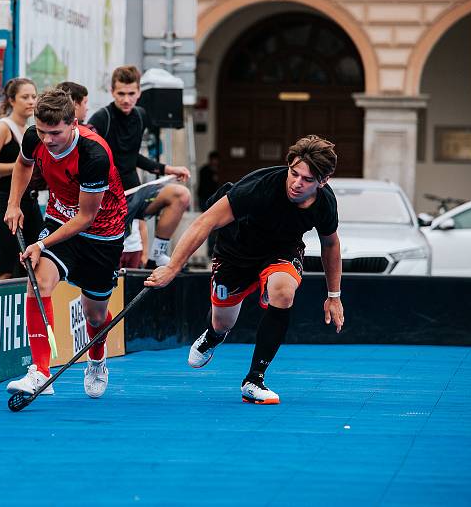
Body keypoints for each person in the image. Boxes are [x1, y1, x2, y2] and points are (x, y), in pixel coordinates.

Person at [145, 135, 345, 405]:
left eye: (307, 180)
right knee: (222, 321)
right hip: (235, 253)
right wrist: (172, 267)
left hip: (281, 252)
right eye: (294, 173)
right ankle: (214, 335)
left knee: (283, 292)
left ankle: (254, 380)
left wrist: (334, 295)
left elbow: (330, 244)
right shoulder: (259, 186)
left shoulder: (325, 203)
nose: (297, 183)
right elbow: (205, 222)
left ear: (324, 181)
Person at [4, 89, 127, 398]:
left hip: (102, 234)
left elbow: (86, 217)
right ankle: (41, 372)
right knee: (38, 282)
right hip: (60, 220)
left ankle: (97, 360)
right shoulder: (35, 136)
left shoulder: (94, 154)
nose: (47, 139)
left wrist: (41, 245)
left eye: (55, 132)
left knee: (95, 315)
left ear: (73, 123)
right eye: (42, 131)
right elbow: (22, 165)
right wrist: (13, 203)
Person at [88, 65, 191, 269]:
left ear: (139, 93)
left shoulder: (141, 115)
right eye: (121, 94)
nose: (126, 100)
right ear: (112, 92)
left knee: (181, 194)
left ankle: (157, 255)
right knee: (113, 261)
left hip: (135, 194)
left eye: (131, 94)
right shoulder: (101, 118)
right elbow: (88, 158)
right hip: (109, 199)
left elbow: (133, 157)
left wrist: (169, 169)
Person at [0, 78, 43, 280]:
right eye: (25, 97)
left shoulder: (32, 130)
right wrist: (21, 167)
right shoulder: (3, 127)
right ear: (12, 100)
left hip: (30, 203)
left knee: (37, 262)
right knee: (4, 266)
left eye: (34, 96)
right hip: (4, 202)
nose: (31, 101)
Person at [198, 150, 222, 257]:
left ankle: (213, 250)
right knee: (208, 226)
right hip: (206, 200)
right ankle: (209, 251)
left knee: (215, 228)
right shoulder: (205, 170)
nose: (215, 162)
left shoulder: (218, 171)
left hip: (214, 201)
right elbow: (204, 188)